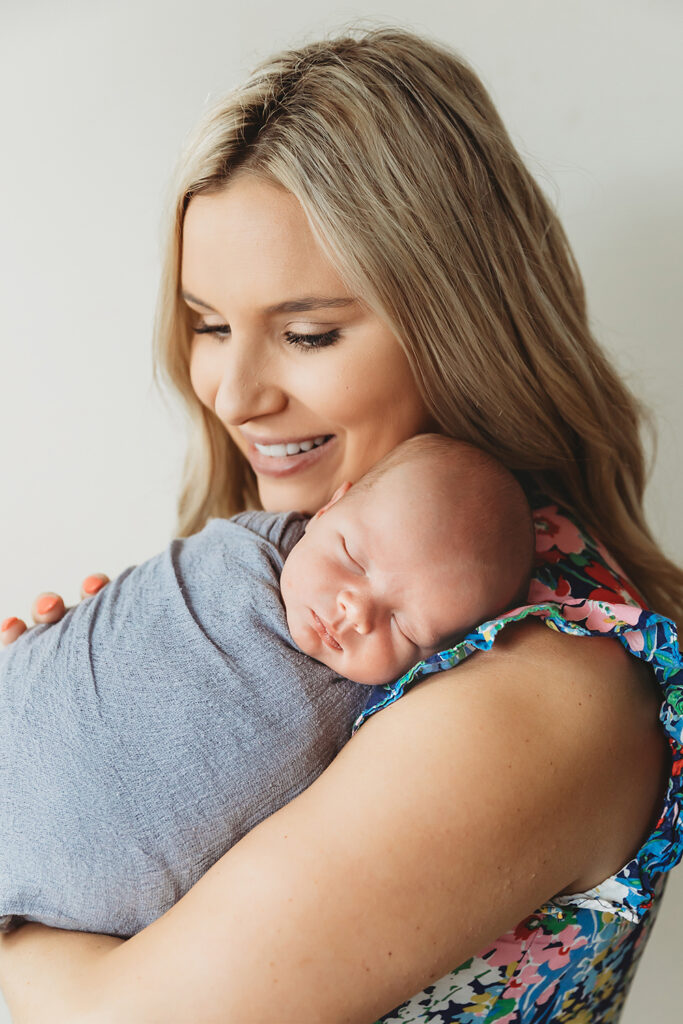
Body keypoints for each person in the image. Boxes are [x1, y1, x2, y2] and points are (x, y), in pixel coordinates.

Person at [0, 24, 681, 1024]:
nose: (233, 392)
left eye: (307, 332)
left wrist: (28, 853)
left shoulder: (545, 691)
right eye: (206, 323)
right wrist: (83, 735)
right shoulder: (313, 595)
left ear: (457, 323)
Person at [0, 434, 534, 940]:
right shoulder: (250, 547)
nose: (354, 612)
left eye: (405, 626)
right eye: (350, 556)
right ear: (326, 510)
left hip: (56, 908)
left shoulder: (397, 721)